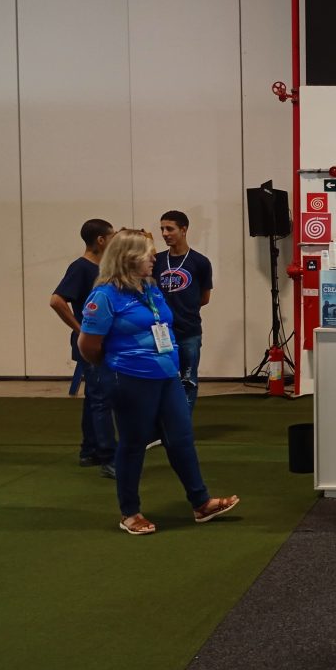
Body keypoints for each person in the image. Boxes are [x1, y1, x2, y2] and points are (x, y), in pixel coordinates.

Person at [78, 229, 238, 535]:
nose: (154, 258)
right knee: (133, 443)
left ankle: (201, 503)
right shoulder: (105, 296)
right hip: (130, 378)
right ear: (128, 258)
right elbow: (88, 345)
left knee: (181, 438)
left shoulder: (150, 288)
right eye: (148, 254)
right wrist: (116, 366)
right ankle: (129, 513)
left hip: (166, 376)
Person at [50, 219, 118, 478]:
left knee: (94, 397)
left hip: (99, 342)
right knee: (102, 400)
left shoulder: (101, 268)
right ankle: (109, 457)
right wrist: (81, 330)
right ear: (101, 240)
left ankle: (89, 450)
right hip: (92, 345)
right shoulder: (81, 268)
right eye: (112, 237)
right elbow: (56, 300)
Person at [153, 210, 212, 411]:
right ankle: (162, 422)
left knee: (188, 380)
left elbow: (204, 298)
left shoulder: (200, 262)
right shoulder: (156, 261)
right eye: (162, 229)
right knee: (161, 378)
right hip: (161, 332)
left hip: (189, 331)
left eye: (170, 229)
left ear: (184, 230)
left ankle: (183, 423)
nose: (164, 233)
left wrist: (183, 308)